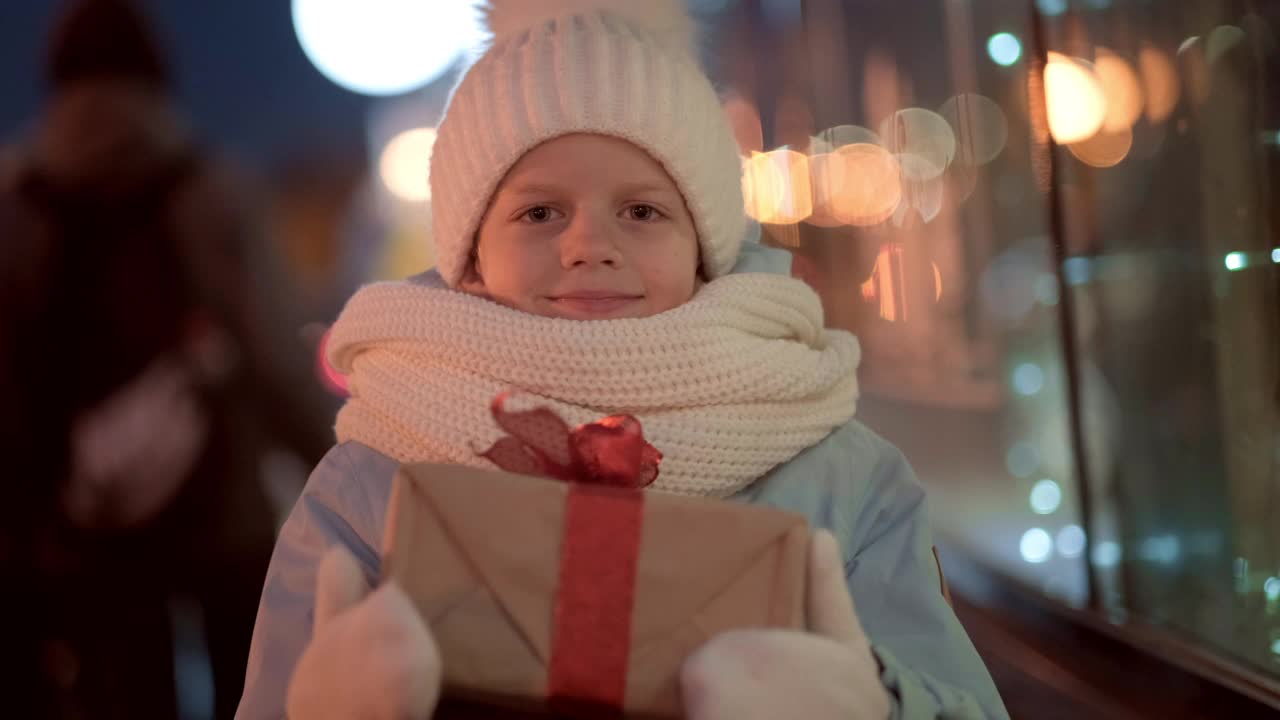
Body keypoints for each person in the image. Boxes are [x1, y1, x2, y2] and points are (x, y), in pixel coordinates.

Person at [237, 1, 1008, 718]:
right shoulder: (371, 482)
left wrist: (879, 702)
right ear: (471, 257)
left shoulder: (845, 479)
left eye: (642, 211)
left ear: (703, 246)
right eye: (539, 212)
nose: (589, 246)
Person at [0, 1, 335, 716]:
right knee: (248, 689)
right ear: (158, 71)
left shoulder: (16, 204)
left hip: (82, 520)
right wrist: (346, 468)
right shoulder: (211, 188)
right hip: (225, 515)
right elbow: (274, 356)